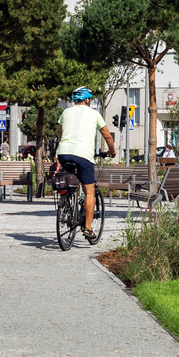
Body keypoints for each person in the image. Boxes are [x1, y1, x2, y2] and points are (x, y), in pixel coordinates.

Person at [56, 87, 116, 242]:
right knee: (89, 191)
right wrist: (111, 151)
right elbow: (108, 136)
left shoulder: (66, 112)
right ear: (88, 100)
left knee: (71, 181)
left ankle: (67, 204)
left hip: (64, 153)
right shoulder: (94, 114)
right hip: (83, 156)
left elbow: (60, 134)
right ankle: (88, 228)